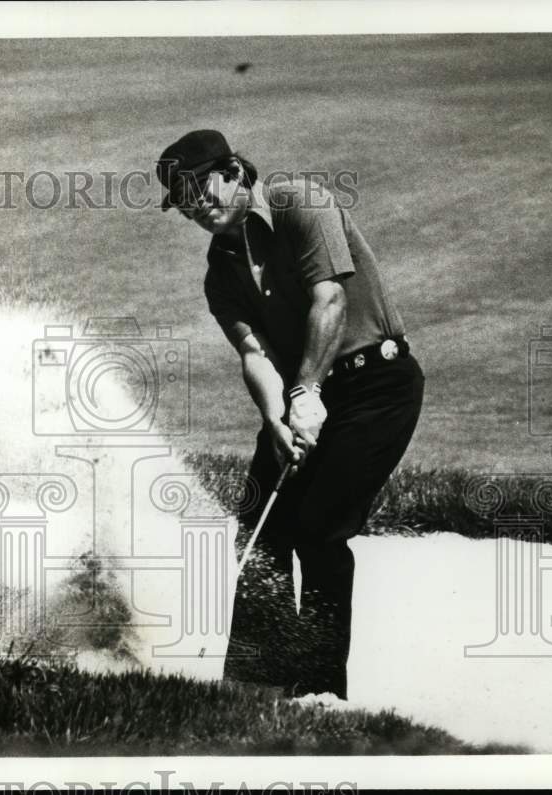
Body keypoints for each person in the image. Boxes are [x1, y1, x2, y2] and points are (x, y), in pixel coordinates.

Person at [157, 130, 424, 700]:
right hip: (300, 396)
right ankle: (257, 688)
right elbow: (255, 355)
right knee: (259, 527)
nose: (195, 207)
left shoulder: (300, 202)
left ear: (232, 172)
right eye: (182, 202)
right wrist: (278, 419)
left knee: (320, 527)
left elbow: (330, 299)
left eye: (198, 189)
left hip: (375, 386)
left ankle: (319, 692)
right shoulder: (219, 271)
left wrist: (307, 393)